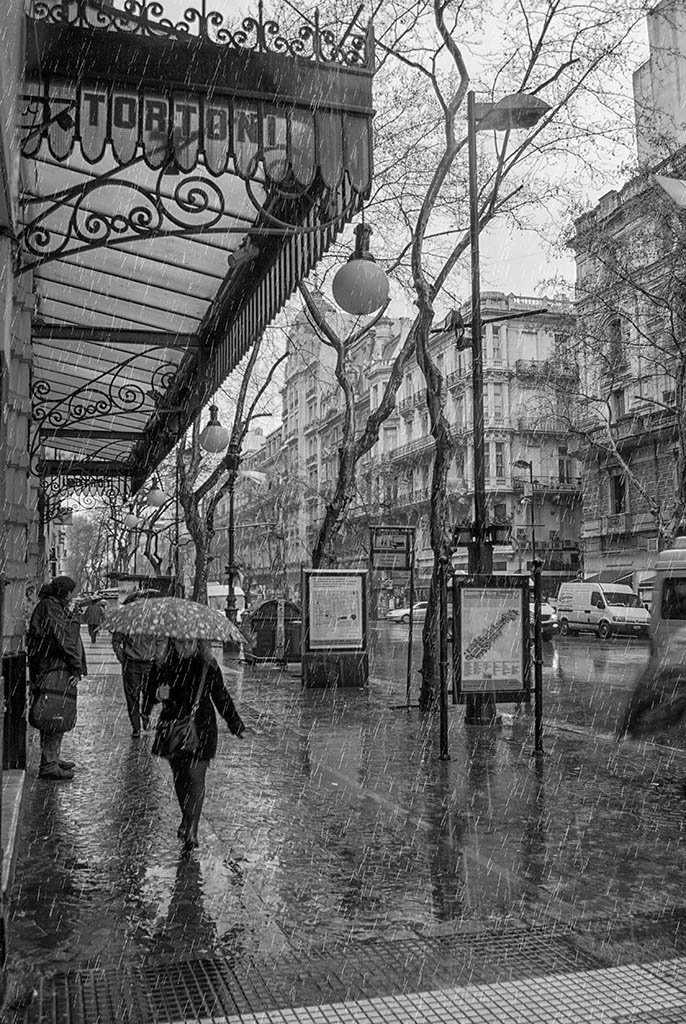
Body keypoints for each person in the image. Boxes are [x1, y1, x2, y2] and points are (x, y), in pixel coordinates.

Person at [153, 637, 245, 850]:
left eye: (189, 642)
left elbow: (220, 696)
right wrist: (158, 693)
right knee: (180, 777)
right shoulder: (164, 664)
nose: (183, 647)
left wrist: (235, 723)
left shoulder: (208, 665)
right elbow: (151, 691)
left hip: (202, 726)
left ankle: (192, 827)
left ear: (198, 643)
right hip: (173, 726)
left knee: (195, 777)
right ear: (171, 642)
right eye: (178, 642)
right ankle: (187, 818)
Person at [26, 576, 87, 781]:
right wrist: (76, 667)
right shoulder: (51, 607)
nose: (73, 596)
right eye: (72, 592)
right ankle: (49, 763)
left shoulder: (51, 605)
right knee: (55, 709)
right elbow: (62, 637)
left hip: (49, 666)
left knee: (54, 709)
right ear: (65, 592)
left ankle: (51, 757)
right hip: (52, 667)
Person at [112, 592, 166, 738]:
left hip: (150, 664)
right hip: (131, 664)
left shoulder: (155, 621)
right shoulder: (125, 621)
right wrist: (123, 658)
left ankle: (145, 714)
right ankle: (136, 727)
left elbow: (161, 641)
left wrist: (158, 659)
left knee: (150, 695)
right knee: (132, 696)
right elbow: (116, 641)